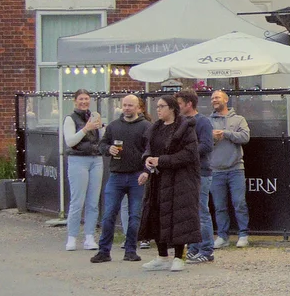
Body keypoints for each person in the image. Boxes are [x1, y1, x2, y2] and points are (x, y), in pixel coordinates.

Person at [138, 94, 201, 271]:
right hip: (158, 179)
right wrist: (148, 161)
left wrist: (162, 160)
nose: (158, 109)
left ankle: (179, 257)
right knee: (156, 214)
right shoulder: (155, 129)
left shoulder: (184, 128)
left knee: (178, 217)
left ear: (172, 108)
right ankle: (162, 255)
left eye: (162, 106)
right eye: (157, 106)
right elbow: (148, 150)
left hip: (180, 181)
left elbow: (189, 154)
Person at [92, 93, 148, 263]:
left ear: (138, 107)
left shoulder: (146, 126)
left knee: (135, 215)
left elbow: (151, 150)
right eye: (124, 105)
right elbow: (102, 144)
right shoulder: (113, 126)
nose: (127, 108)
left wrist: (146, 171)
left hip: (137, 175)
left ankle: (130, 250)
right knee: (108, 214)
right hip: (116, 175)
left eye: (130, 105)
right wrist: (108, 149)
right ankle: (104, 251)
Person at [62, 89, 105, 252]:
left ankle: (89, 236)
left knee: (93, 201)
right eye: (81, 99)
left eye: (86, 99)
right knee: (77, 199)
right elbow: (70, 141)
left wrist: (100, 127)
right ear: (75, 101)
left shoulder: (93, 116)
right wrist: (86, 129)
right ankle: (72, 237)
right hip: (78, 159)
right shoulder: (70, 119)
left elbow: (101, 137)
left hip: (96, 158)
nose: (84, 102)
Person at [208, 90, 252, 249]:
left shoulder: (239, 119)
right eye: (212, 98)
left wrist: (226, 134)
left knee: (239, 203)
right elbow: (202, 143)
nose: (214, 100)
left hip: (235, 168)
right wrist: (212, 139)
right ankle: (222, 236)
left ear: (226, 100)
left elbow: (245, 137)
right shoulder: (207, 122)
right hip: (215, 169)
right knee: (219, 206)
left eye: (217, 97)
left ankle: (243, 234)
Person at [178, 90, 216, 263]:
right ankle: (193, 247)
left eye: (179, 103)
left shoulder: (203, 122)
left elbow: (207, 145)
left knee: (201, 211)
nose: (177, 107)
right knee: (189, 213)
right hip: (184, 172)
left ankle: (207, 249)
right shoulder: (179, 122)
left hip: (201, 172)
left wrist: (186, 154)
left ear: (189, 104)